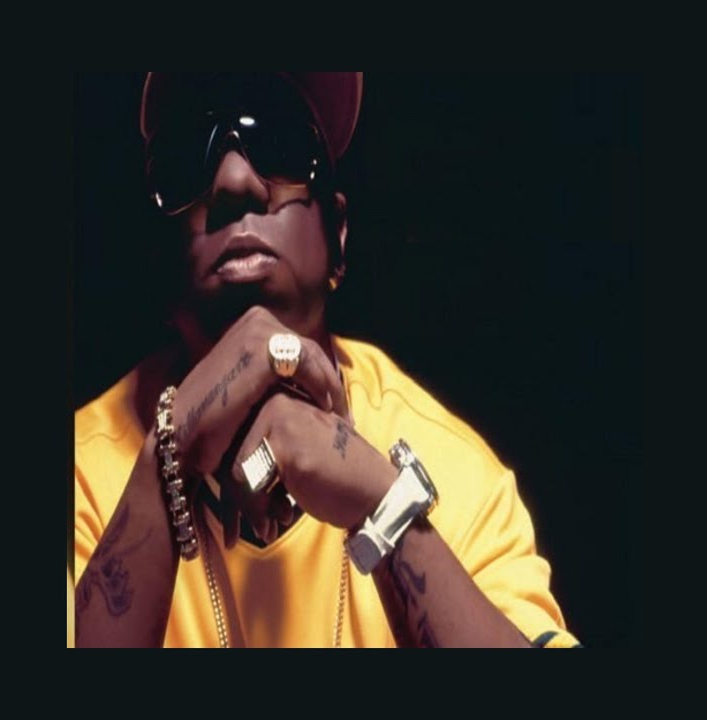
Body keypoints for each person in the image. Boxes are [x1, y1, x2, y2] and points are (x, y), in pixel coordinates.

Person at [72, 72, 580, 648]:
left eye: (280, 141)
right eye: (190, 156)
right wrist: (172, 450)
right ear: (158, 262)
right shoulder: (82, 474)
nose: (236, 182)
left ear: (337, 237)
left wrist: (386, 505)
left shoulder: (455, 472)